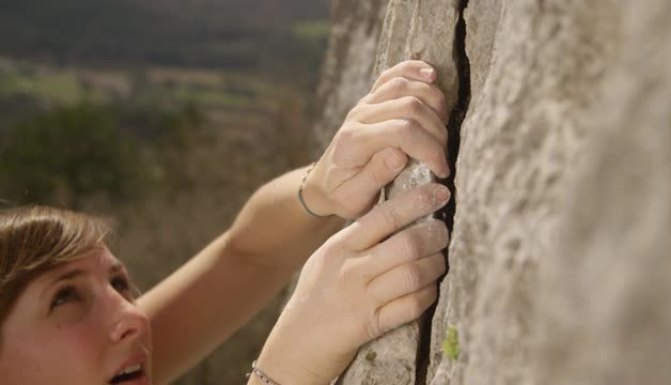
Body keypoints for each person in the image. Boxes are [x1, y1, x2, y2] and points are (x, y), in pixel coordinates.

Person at [0, 60, 451, 385]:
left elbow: (244, 256)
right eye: (64, 298)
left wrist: (323, 186)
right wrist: (292, 363)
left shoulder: (109, 357)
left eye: (119, 283)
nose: (132, 317)